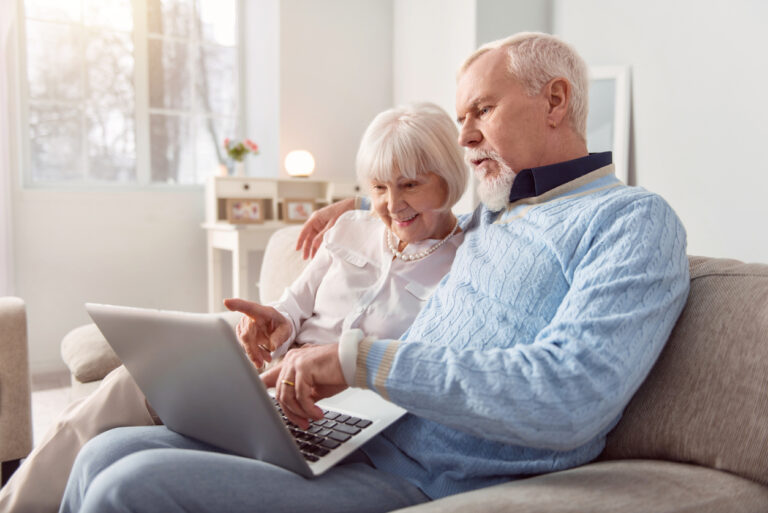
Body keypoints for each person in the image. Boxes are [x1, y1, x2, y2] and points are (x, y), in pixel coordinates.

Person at [58, 32, 690, 513]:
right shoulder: (495, 216)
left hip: (426, 475)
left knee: (127, 487)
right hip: (359, 435)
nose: (465, 137)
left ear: (554, 100)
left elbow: (570, 397)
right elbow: (417, 208)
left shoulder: (631, 222)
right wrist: (359, 202)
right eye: (461, 117)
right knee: (104, 449)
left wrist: (360, 360)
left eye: (481, 112)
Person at [0, 102, 468, 513]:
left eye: (409, 185)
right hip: (266, 393)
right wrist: (276, 320)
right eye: (380, 188)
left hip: (342, 415)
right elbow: (296, 302)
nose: (392, 204)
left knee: (124, 475)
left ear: (449, 178)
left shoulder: (468, 260)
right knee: (102, 446)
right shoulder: (349, 226)